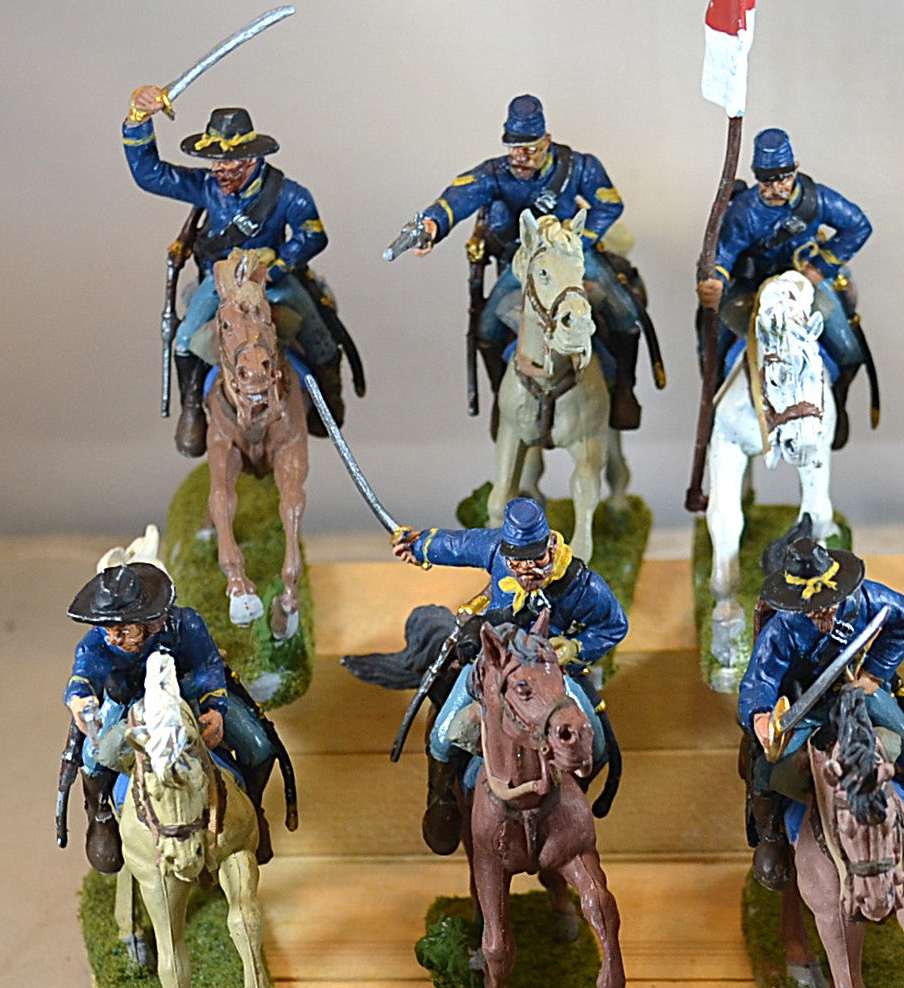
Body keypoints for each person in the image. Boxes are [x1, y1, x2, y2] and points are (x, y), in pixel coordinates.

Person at [392, 497, 628, 854]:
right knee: (441, 735)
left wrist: (574, 647)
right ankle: (440, 802)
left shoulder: (581, 585)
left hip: (550, 670)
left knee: (596, 741)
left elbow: (614, 625)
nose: (526, 569)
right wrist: (417, 545)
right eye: (518, 561)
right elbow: (457, 544)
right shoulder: (496, 549)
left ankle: (572, 802)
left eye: (536, 558)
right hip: (493, 663)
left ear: (551, 546)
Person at [122, 87, 343, 456]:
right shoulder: (207, 187)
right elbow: (150, 175)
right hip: (221, 283)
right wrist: (138, 120)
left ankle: (330, 401)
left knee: (319, 335)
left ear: (251, 160)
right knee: (185, 339)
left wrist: (276, 266)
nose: (219, 171)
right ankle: (192, 408)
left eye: (228, 164)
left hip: (273, 282)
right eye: (216, 164)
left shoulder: (290, 195)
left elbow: (313, 237)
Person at [406, 94, 647, 430]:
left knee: (625, 311)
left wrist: (578, 240)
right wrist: (433, 224)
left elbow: (610, 204)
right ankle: (500, 397)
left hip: (574, 255)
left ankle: (624, 388)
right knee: (486, 328)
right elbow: (459, 197)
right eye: (513, 148)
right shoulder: (495, 174)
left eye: (530, 148)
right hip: (527, 261)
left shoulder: (580, 167)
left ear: (546, 140)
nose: (520, 157)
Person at [736, 537, 904, 890]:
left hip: (858, 694)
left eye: (827, 606)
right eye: (813, 610)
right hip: (805, 706)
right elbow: (760, 679)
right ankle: (771, 837)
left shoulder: (869, 600)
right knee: (766, 772)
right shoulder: (782, 629)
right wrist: (761, 716)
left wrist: (875, 673)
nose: (821, 614)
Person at [64, 563, 279, 872]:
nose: (114, 638)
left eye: (123, 630)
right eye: (108, 629)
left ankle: (252, 805)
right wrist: (80, 698)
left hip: (189, 695)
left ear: (147, 621)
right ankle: (100, 816)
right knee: (93, 757)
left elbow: (207, 664)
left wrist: (215, 708)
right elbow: (85, 671)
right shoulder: (98, 641)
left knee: (257, 743)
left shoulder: (185, 625)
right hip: (129, 703)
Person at [696, 128, 872, 447]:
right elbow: (724, 253)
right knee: (713, 347)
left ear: (796, 170)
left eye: (783, 178)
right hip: (751, 287)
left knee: (848, 349)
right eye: (767, 180)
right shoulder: (743, 211)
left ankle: (837, 401)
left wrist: (819, 269)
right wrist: (714, 282)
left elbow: (858, 225)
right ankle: (715, 405)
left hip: (803, 285)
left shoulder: (817, 199)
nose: (776, 187)